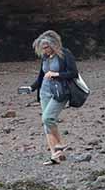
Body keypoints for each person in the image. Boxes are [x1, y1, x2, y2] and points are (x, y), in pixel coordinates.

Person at [27, 30, 79, 165]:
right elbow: (41, 76)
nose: (45, 50)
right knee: (47, 124)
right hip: (44, 92)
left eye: (46, 47)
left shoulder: (64, 54)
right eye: (42, 48)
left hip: (60, 92)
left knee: (48, 118)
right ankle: (54, 156)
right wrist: (31, 88)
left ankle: (60, 144)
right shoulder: (45, 57)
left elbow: (73, 73)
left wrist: (56, 74)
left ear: (53, 45)